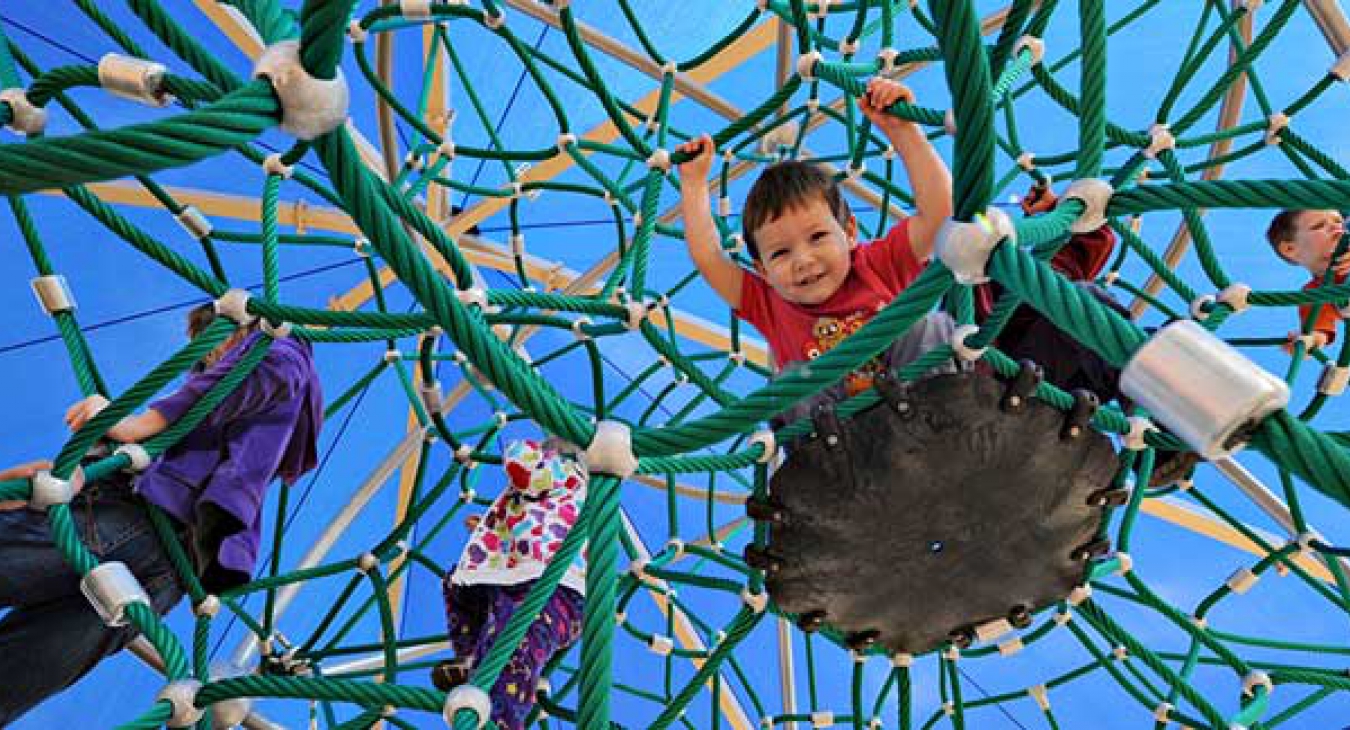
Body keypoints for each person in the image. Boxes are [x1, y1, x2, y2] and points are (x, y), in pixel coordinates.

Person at [0, 302, 323, 724]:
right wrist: (84, 469)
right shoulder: (231, 429)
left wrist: (134, 423)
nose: (206, 367)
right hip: (159, 579)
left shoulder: (278, 347)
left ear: (233, 334)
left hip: (134, 526)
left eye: (210, 353)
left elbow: (261, 367)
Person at [676, 77, 955, 429]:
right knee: (790, 383)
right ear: (761, 269)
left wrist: (903, 132)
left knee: (926, 326)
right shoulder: (770, 304)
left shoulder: (878, 265)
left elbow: (940, 213)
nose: (803, 260)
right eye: (780, 254)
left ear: (850, 232)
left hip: (924, 410)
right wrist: (694, 183)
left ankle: (949, 407)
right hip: (843, 443)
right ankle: (826, 461)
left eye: (818, 236)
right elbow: (708, 256)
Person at [431, 438, 586, 730]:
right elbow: (536, 518)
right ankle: (473, 660)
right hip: (520, 578)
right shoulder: (568, 496)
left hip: (555, 589)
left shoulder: (564, 474)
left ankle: (502, 720)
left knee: (516, 640)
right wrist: (492, 528)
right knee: (460, 588)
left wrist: (528, 446)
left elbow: (522, 467)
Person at [1265, 209, 1349, 352]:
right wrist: (1307, 342)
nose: (1336, 227)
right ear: (1290, 249)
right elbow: (1319, 332)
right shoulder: (1315, 293)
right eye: (1319, 226)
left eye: (1339, 221)